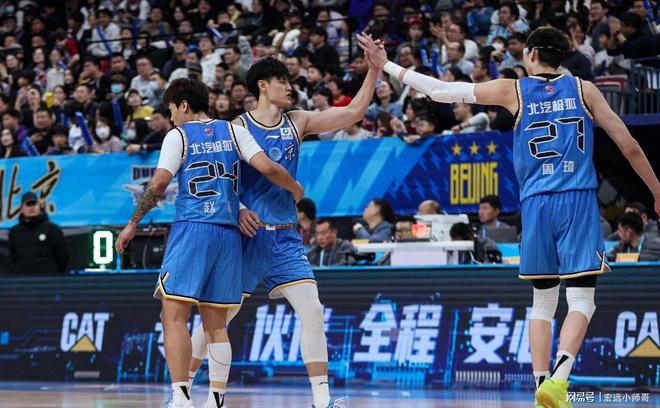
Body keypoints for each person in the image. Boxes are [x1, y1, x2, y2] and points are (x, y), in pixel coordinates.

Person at [358, 26, 660, 408]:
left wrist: (387, 66)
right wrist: (657, 190)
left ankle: (540, 388)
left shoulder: (513, 90)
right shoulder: (585, 90)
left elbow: (441, 91)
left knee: (543, 301)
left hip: (535, 203)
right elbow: (629, 145)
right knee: (582, 298)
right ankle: (559, 380)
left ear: (531, 54)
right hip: (577, 200)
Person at [188, 51, 379, 408]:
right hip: (247, 238)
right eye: (282, 82)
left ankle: (322, 399)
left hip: (286, 238)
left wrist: (374, 70)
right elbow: (221, 180)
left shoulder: (298, 121)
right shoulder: (238, 128)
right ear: (263, 86)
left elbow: (354, 112)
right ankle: (182, 391)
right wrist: (239, 209)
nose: (290, 88)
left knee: (313, 310)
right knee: (218, 318)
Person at [114, 78, 303, 408]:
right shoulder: (234, 130)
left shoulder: (178, 135)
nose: (172, 117)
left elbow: (158, 184)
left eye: (172, 110)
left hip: (193, 229)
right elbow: (269, 168)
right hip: (228, 235)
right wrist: (295, 188)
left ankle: (181, 396)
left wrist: (132, 223)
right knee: (216, 325)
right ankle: (216, 399)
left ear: (184, 105)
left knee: (174, 316)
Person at [8, 192, 69, 275]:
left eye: (34, 204)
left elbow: (63, 257)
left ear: (39, 206)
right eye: (28, 204)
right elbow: (12, 258)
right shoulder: (14, 232)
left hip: (47, 279)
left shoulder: (53, 229)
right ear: (21, 208)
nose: (32, 208)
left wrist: (54, 275)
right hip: (23, 280)